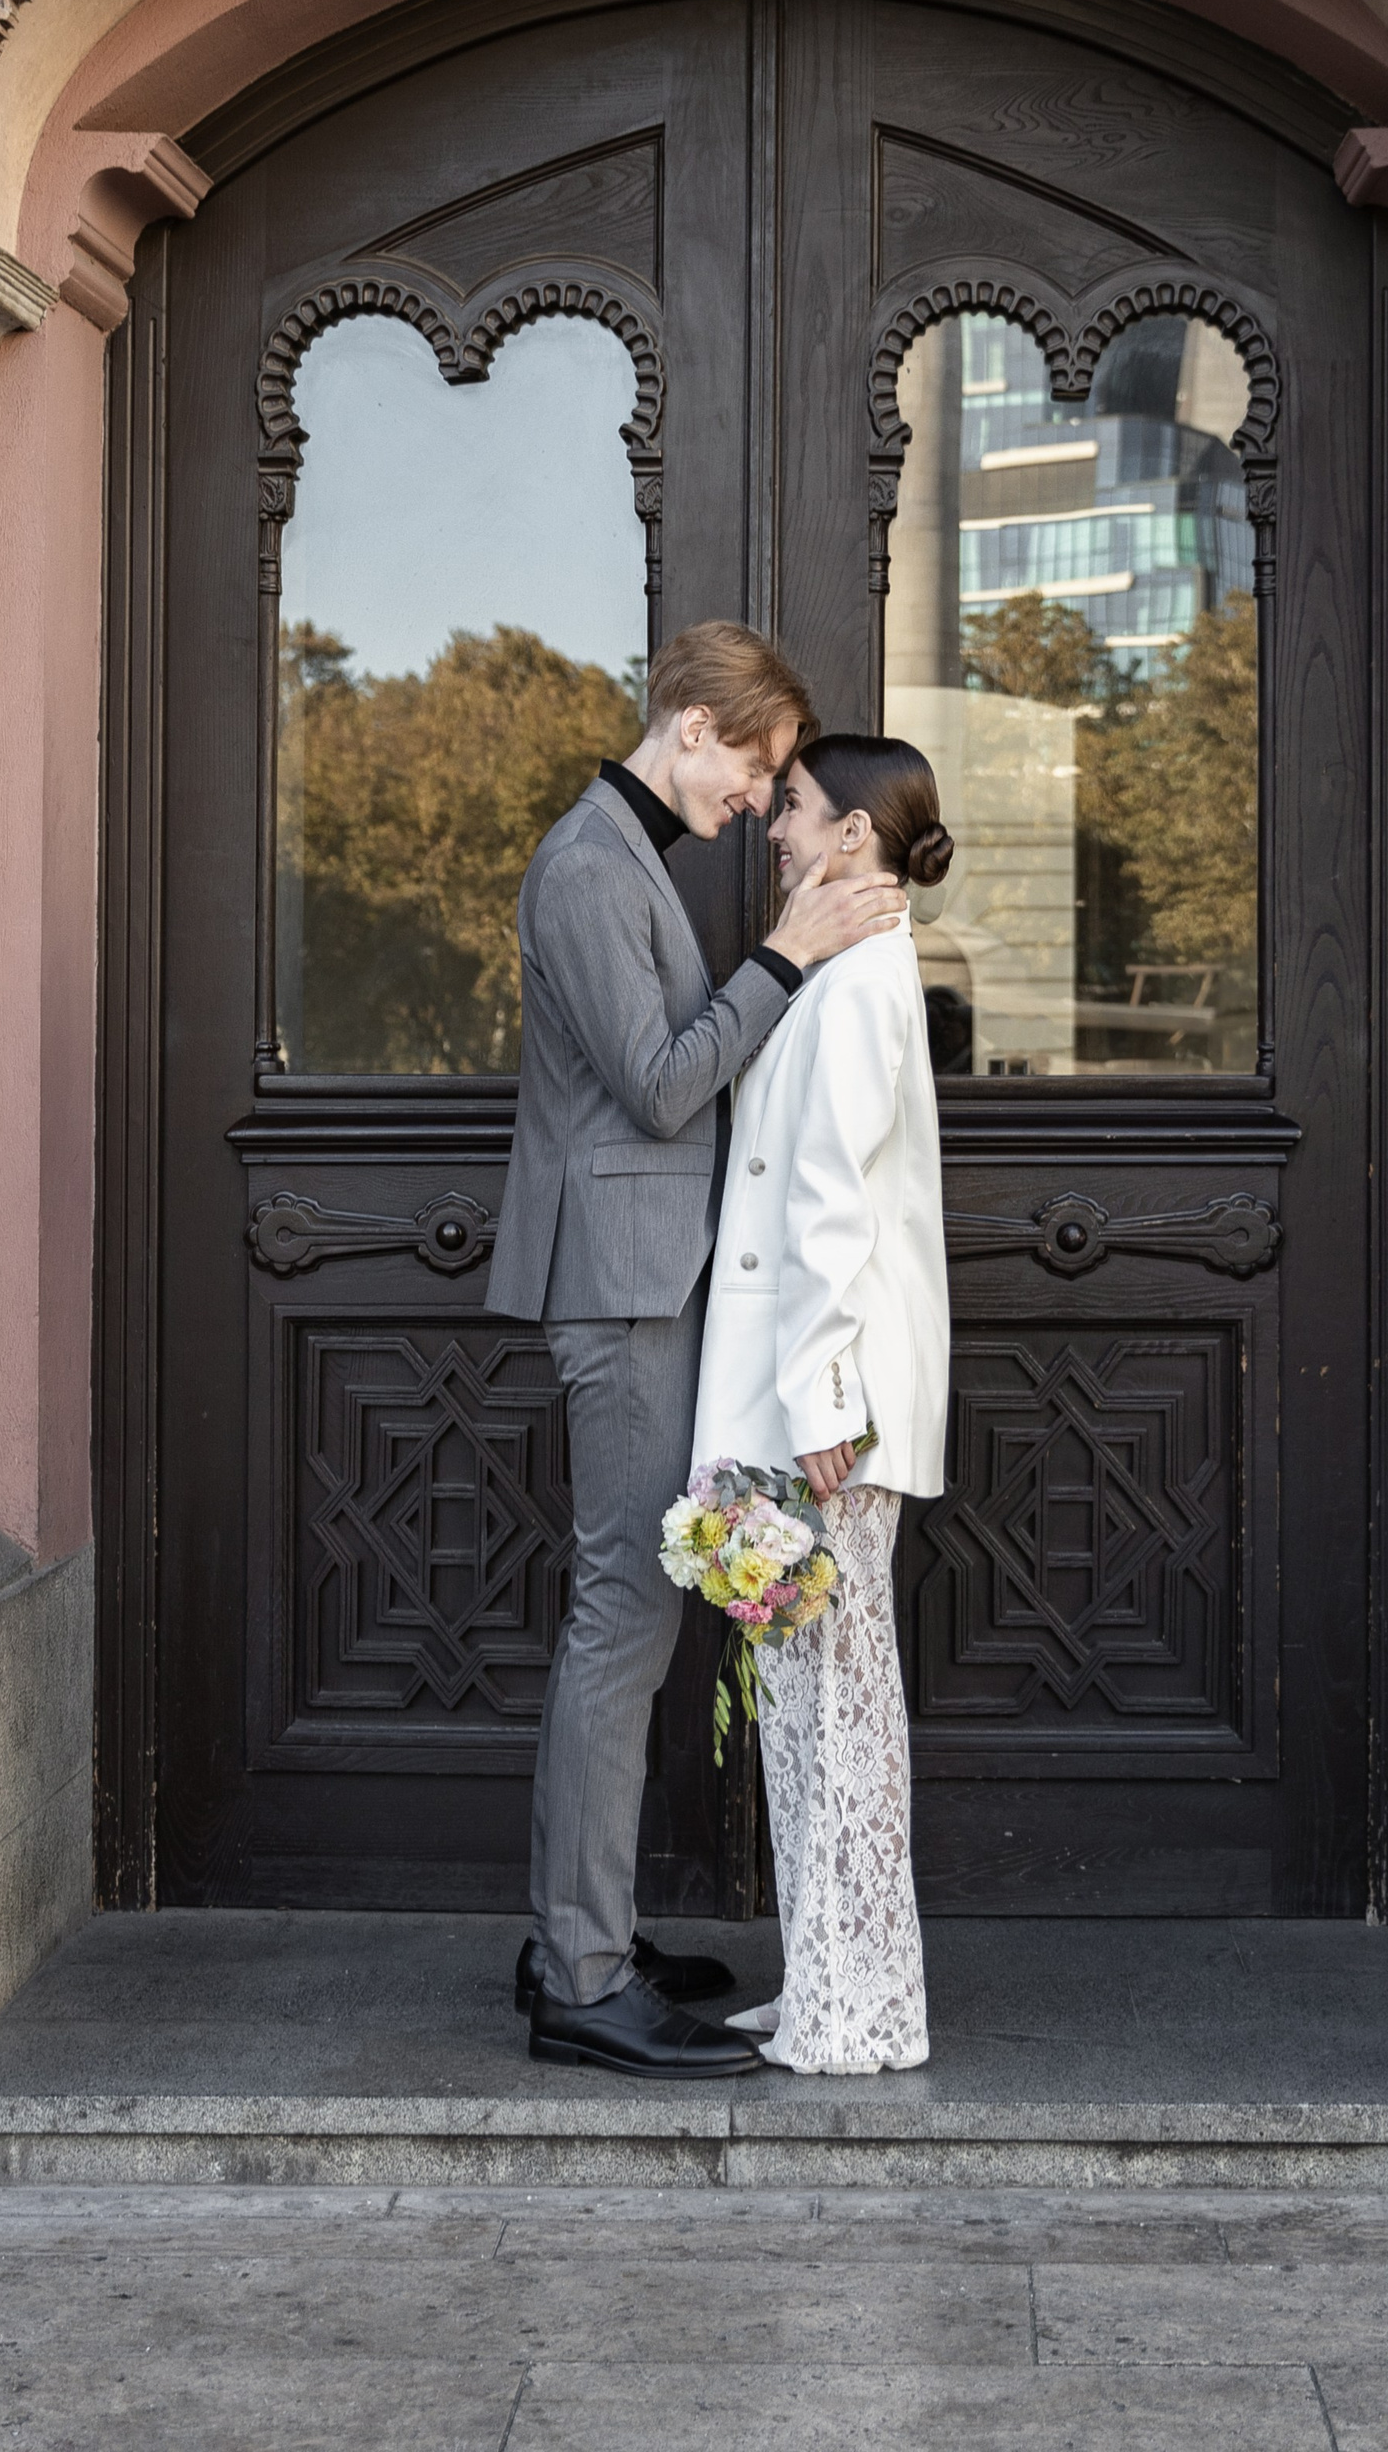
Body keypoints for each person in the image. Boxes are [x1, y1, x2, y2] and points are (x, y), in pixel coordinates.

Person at [485, 622, 906, 2077]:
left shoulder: (628, 856)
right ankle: (581, 1974)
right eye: (757, 768)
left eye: (778, 780)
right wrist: (789, 955)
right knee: (621, 1618)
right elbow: (663, 1091)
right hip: (615, 1288)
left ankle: (582, 1934)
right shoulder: (589, 865)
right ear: (692, 726)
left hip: (653, 1280)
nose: (754, 802)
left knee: (635, 1620)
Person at [692, 732, 954, 2075]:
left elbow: (835, 1209)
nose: (776, 830)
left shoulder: (862, 989)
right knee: (806, 1713)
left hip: (824, 1414)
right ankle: (837, 1991)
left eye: (792, 810)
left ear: (853, 832)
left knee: (840, 1717)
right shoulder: (845, 970)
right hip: (800, 1402)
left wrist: (824, 1399)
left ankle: (859, 2012)